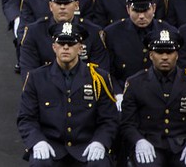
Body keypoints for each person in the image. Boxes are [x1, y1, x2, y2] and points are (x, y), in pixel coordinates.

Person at [17, 22, 119, 166]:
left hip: (86, 147)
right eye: (61, 43)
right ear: (54, 47)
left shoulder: (98, 78)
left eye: (71, 43)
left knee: (99, 164)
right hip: (52, 147)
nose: (66, 47)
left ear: (80, 48)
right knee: (40, 163)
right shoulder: (36, 78)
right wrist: (37, 141)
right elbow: (26, 118)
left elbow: (109, 119)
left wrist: (100, 142)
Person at [121, 28, 186, 166]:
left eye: (170, 52)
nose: (165, 57)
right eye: (159, 52)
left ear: (177, 55)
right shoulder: (135, 83)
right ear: (151, 55)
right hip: (150, 143)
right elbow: (127, 123)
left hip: (183, 144)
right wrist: (138, 141)